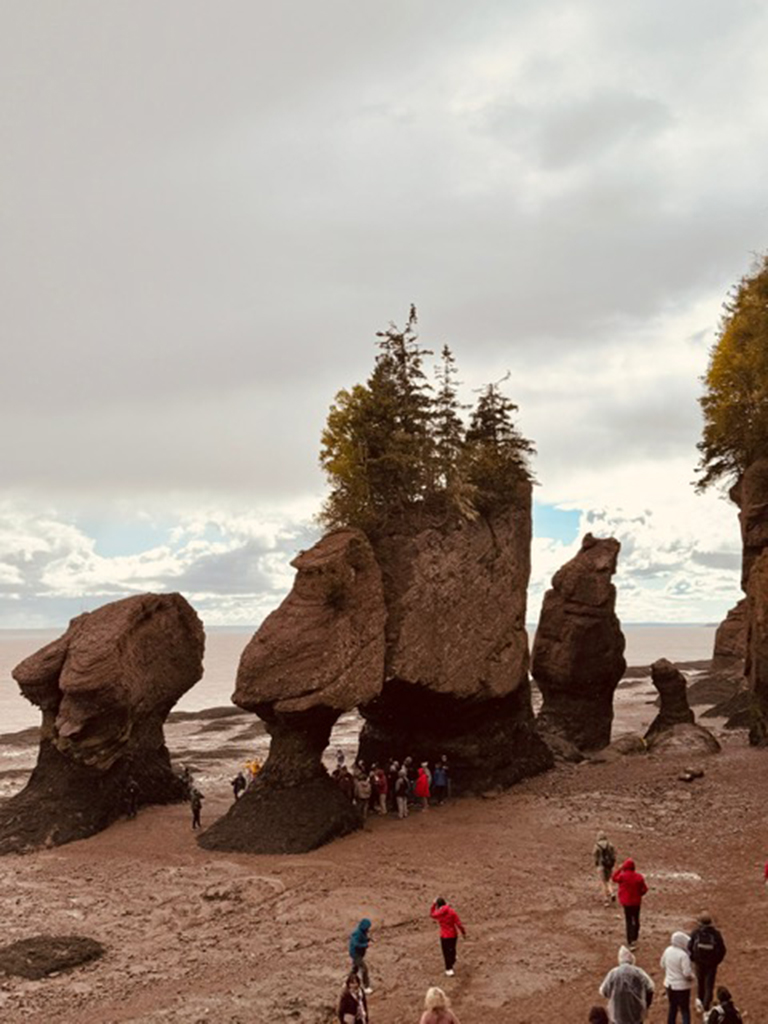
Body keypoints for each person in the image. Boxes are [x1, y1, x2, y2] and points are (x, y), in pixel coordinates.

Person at [599, 945, 655, 1024]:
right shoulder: (638, 972)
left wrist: (614, 996)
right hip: (636, 1014)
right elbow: (650, 987)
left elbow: (603, 991)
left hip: (617, 1014)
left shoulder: (613, 973)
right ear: (632, 959)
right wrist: (646, 1003)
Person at [688, 912, 726, 1013]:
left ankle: (700, 1003)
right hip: (711, 964)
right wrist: (716, 961)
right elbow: (722, 949)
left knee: (700, 983)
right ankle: (706, 1006)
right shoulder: (716, 934)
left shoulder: (696, 933)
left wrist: (693, 958)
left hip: (699, 963)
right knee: (709, 985)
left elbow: (689, 947)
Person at [612, 858, 648, 948]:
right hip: (636, 902)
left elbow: (613, 878)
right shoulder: (639, 877)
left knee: (628, 921)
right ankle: (635, 937)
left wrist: (619, 869)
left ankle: (630, 940)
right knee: (636, 920)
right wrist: (639, 894)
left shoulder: (623, 876)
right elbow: (644, 889)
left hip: (626, 903)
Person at [660, 931, 694, 1024]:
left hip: (669, 985)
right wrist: (692, 977)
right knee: (685, 1010)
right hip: (682, 987)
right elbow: (687, 973)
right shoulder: (683, 955)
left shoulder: (668, 950)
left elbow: (662, 964)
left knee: (672, 1008)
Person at [430, 897, 466, 976]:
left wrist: (433, 905)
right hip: (453, 934)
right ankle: (453, 959)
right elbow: (458, 923)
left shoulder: (439, 913)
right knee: (452, 949)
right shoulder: (451, 911)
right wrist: (463, 932)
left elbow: (432, 914)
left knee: (446, 952)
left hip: (444, 935)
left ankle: (449, 969)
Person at [348, 917, 373, 993]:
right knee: (364, 969)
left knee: (355, 970)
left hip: (359, 954)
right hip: (356, 955)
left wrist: (367, 940)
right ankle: (366, 987)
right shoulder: (357, 934)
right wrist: (366, 944)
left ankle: (348, 982)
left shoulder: (362, 932)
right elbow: (356, 944)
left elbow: (362, 939)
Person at [594, 831, 617, 905]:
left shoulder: (597, 846)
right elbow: (614, 855)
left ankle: (606, 899)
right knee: (609, 880)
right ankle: (612, 892)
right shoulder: (610, 845)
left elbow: (595, 856)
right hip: (609, 865)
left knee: (603, 882)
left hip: (601, 865)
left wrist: (597, 864)